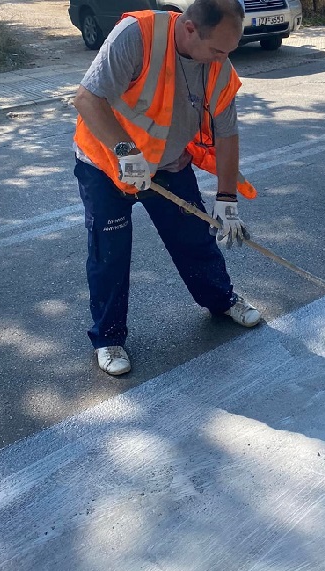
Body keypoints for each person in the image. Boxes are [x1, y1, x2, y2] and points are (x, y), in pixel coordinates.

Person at [72, 0, 261, 377]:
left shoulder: (219, 67)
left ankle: (222, 300)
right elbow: (87, 99)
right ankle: (108, 338)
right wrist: (126, 152)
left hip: (169, 163)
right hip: (107, 164)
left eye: (229, 50)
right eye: (217, 50)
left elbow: (227, 134)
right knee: (109, 251)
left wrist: (226, 198)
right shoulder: (138, 36)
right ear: (190, 28)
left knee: (193, 237)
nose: (223, 60)